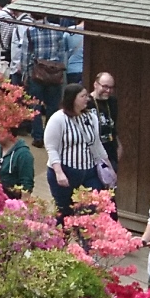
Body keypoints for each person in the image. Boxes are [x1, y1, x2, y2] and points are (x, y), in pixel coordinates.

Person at [41, 82, 107, 215]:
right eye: (83, 96)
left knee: (92, 207)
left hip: (89, 171)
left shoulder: (91, 117)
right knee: (64, 211)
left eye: (87, 96)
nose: (87, 99)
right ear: (73, 98)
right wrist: (59, 173)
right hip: (66, 170)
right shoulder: (58, 119)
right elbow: (51, 148)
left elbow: (97, 144)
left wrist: (107, 166)